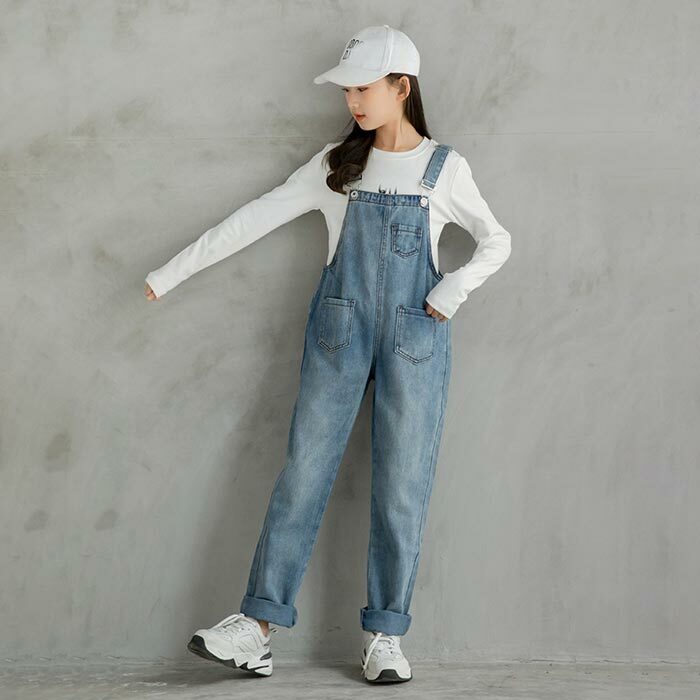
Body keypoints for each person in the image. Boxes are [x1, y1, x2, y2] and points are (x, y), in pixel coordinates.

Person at [145, 24, 511, 683]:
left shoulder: (444, 169)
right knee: (303, 473)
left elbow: (497, 241)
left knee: (402, 487)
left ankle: (385, 637)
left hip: (416, 339)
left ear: (402, 87)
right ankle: (256, 628)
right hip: (338, 335)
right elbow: (253, 217)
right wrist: (169, 274)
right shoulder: (337, 166)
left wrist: (451, 290)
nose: (352, 102)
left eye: (363, 88)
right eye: (347, 91)